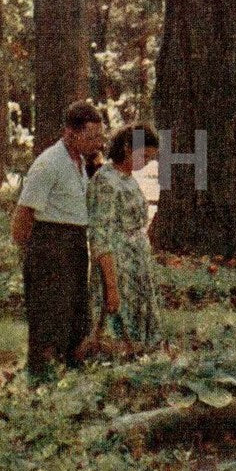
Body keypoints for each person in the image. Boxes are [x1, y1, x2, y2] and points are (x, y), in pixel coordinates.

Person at [12, 101, 106, 380]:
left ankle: (70, 379)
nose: (97, 143)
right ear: (70, 133)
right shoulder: (49, 163)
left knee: (75, 315)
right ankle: (42, 379)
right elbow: (23, 215)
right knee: (49, 316)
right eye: (91, 137)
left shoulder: (80, 163)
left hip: (75, 244)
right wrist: (33, 255)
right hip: (50, 245)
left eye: (99, 137)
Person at [87, 123, 162, 348]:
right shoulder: (106, 181)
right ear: (128, 147)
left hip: (136, 264)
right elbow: (101, 236)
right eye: (144, 156)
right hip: (117, 266)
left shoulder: (128, 177)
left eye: (150, 158)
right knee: (117, 328)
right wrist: (111, 286)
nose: (146, 162)